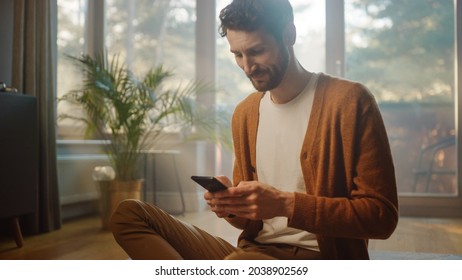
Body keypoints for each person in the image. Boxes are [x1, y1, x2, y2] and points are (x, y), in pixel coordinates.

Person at [110, 0, 399, 260]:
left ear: (289, 35)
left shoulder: (349, 101)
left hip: (318, 258)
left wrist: (286, 204)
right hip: (253, 252)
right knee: (130, 215)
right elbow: (251, 222)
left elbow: (381, 217)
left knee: (238, 265)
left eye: (257, 51)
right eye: (238, 55)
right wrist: (232, 205)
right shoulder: (246, 113)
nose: (247, 67)